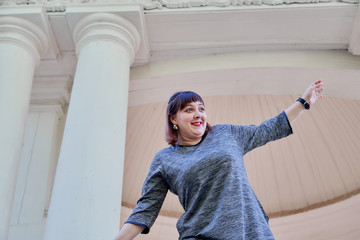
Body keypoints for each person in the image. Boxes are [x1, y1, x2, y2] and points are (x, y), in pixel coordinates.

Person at [114, 80, 324, 240]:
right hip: (199, 235)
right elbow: (145, 209)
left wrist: (303, 102)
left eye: (201, 109)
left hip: (251, 232)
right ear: (173, 119)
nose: (198, 114)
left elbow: (268, 129)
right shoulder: (164, 159)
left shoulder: (226, 134)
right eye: (189, 110)